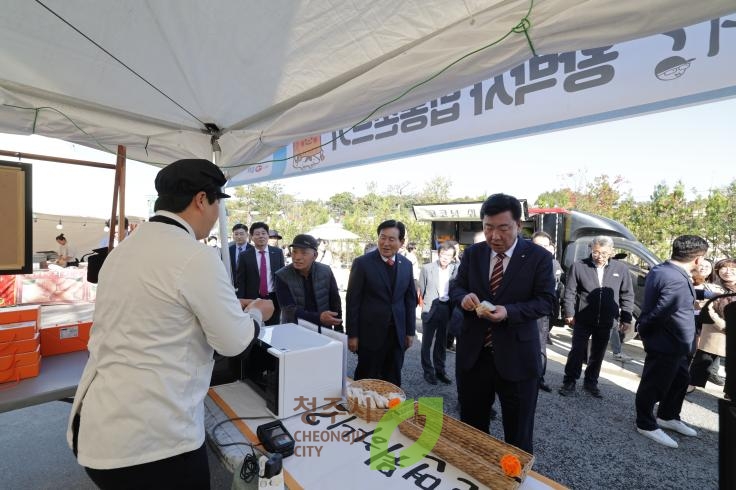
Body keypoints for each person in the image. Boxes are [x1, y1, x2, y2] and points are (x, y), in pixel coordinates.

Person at [66, 158, 273, 489]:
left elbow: (157, 311)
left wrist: (223, 308)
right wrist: (257, 313)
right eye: (218, 202)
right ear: (202, 200)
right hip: (153, 442)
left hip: (98, 425)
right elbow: (235, 342)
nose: (218, 213)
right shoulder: (195, 255)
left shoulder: (125, 249)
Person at [450, 194, 555, 454]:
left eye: (503, 228)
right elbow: (456, 288)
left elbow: (546, 302)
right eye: (488, 227)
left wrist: (508, 312)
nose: (494, 235)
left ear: (519, 226)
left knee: (518, 434)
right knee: (472, 429)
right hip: (475, 356)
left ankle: (514, 478)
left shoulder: (538, 257)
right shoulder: (473, 254)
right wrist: (464, 298)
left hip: (518, 358)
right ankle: (475, 476)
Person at [635, 235, 708, 448]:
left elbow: (676, 297)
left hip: (677, 344)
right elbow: (661, 311)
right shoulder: (675, 277)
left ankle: (668, 416)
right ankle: (645, 423)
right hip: (667, 342)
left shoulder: (664, 269)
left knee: (679, 381)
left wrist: (706, 293)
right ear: (697, 259)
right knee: (654, 384)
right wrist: (644, 328)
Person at [559, 236, 634, 399]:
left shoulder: (621, 269)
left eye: (604, 253)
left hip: (607, 320)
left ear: (612, 252)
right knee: (577, 351)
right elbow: (570, 292)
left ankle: (591, 382)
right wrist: (569, 313)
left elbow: (626, 294)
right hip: (583, 318)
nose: (599, 256)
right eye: (596, 252)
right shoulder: (578, 266)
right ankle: (569, 381)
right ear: (591, 250)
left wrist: (626, 318)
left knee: (598, 353)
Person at [346, 220, 416, 387]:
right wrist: (353, 335)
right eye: (382, 238)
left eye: (391, 239)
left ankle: (389, 411)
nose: (385, 243)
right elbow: (353, 301)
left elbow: (409, 300)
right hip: (370, 334)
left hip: (396, 334)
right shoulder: (362, 263)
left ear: (401, 242)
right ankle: (362, 411)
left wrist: (409, 331)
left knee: (392, 377)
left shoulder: (406, 265)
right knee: (366, 378)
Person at [275, 233, 343, 332]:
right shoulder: (282, 276)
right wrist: (319, 317)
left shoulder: (325, 271)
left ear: (315, 255)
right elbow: (289, 310)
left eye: (303, 253)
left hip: (323, 329)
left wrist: (339, 328)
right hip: (294, 329)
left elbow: (335, 301)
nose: (297, 257)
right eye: (294, 252)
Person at [688, 258, 735, 395]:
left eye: (732, 269)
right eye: (724, 268)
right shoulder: (711, 287)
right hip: (715, 329)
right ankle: (690, 384)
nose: (728, 272)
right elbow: (707, 308)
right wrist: (724, 326)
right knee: (704, 359)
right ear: (718, 270)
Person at [418, 242, 457, 385]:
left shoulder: (455, 269)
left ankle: (440, 371)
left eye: (448, 255)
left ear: (453, 257)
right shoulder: (427, 268)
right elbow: (422, 288)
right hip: (430, 308)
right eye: (443, 254)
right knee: (426, 342)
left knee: (441, 343)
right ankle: (428, 372)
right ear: (438, 254)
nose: (445, 258)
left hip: (447, 308)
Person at [531, 231, 562, 392]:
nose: (542, 249)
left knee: (540, 347)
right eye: (538, 245)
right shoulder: (522, 263)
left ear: (551, 247)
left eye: (545, 245)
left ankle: (539, 378)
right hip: (524, 312)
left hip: (543, 314)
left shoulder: (554, 264)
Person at [236, 222, 285, 325]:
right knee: (254, 327)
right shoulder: (245, 256)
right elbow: (240, 280)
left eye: (263, 233)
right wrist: (240, 300)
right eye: (257, 234)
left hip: (273, 297)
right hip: (252, 298)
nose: (261, 236)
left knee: (273, 327)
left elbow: (282, 277)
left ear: (268, 235)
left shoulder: (277, 253)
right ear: (252, 237)